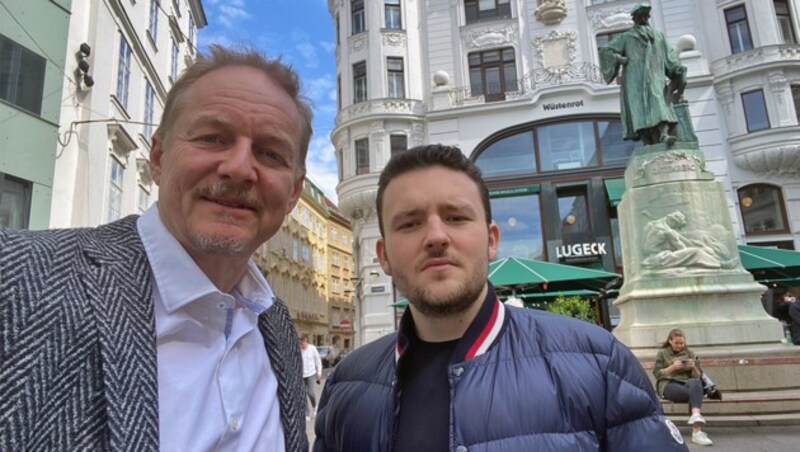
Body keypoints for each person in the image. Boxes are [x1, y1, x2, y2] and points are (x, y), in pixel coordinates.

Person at [0, 45, 313, 451]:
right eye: (213, 138)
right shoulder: (17, 276)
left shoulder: (277, 328)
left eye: (270, 153)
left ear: (293, 192)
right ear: (159, 157)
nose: (239, 168)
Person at [313, 144, 688, 451]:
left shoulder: (598, 363)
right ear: (383, 256)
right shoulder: (347, 384)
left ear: (492, 240)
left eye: (456, 217)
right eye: (410, 223)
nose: (436, 236)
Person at [600, 3, 687, 146]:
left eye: (646, 15)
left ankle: (664, 134)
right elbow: (606, 51)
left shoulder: (658, 36)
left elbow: (669, 56)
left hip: (655, 76)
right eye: (641, 16)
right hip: (635, 80)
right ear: (635, 19)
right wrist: (619, 58)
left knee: (658, 101)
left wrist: (676, 68)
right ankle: (647, 143)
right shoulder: (627, 37)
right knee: (638, 109)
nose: (644, 18)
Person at [653, 329, 715, 446]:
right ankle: (697, 432)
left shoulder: (690, 354)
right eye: (677, 343)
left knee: (696, 383)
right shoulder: (662, 354)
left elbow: (698, 376)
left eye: (682, 343)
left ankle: (696, 417)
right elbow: (657, 374)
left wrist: (693, 367)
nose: (680, 345)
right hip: (669, 384)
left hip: (687, 384)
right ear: (670, 341)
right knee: (695, 393)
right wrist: (672, 367)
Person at [300, 336, 323, 420]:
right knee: (303, 394)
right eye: (300, 344)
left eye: (303, 344)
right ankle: (307, 413)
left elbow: (318, 360)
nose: (302, 346)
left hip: (311, 373)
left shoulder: (312, 348)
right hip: (301, 375)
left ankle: (315, 405)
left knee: (310, 392)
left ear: (306, 342)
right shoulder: (299, 350)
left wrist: (319, 372)